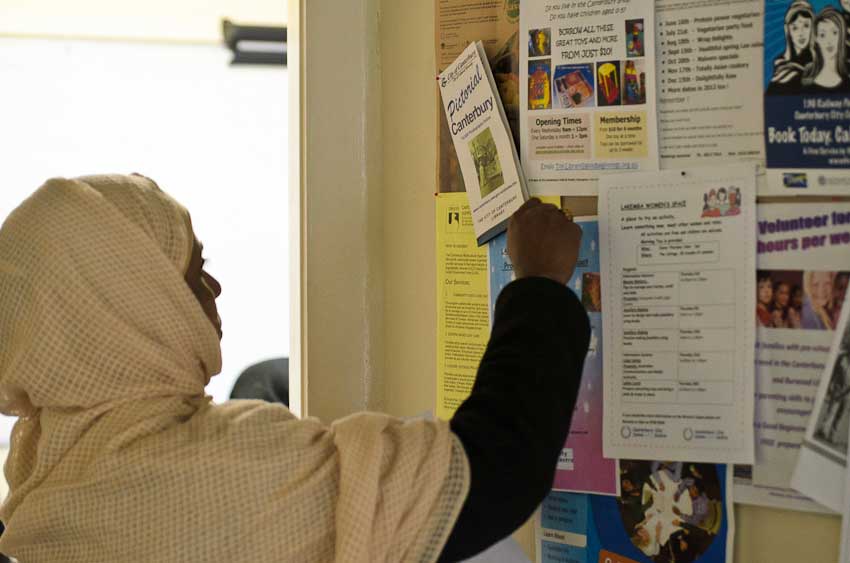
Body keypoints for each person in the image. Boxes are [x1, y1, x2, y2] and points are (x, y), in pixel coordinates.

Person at [0, 176, 589, 562]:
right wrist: (537, 284)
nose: (213, 287)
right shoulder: (203, 475)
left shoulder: (45, 489)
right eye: (191, 271)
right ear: (135, 302)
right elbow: (492, 475)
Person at [767, 1, 815, 94]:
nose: (801, 33)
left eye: (806, 26)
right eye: (795, 28)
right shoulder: (781, 63)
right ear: (788, 31)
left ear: (812, 27)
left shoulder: (819, 62)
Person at [801, 8, 850, 93]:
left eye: (834, 33)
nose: (829, 41)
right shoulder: (806, 75)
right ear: (816, 38)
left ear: (842, 35)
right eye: (823, 35)